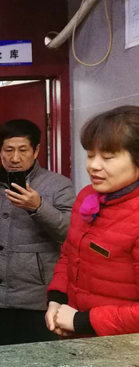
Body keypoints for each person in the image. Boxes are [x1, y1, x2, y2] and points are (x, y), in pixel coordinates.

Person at [0, 119, 75, 345]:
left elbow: (70, 233)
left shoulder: (58, 185)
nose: (15, 158)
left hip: (38, 301)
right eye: (8, 150)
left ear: (36, 151)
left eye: (23, 150)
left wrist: (38, 207)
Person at [46, 106, 139, 338]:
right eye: (90, 155)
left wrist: (82, 321)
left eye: (107, 157)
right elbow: (69, 252)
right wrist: (57, 299)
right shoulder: (87, 196)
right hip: (81, 340)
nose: (93, 166)